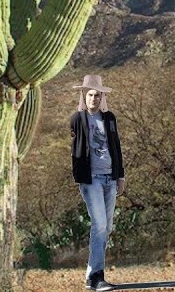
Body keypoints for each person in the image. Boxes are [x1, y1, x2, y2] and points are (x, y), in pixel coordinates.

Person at [70, 74, 125, 291]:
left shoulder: (109, 118)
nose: (94, 98)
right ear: (84, 95)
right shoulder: (78, 118)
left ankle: (91, 277)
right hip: (91, 179)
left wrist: (120, 175)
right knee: (99, 224)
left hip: (110, 177)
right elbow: (75, 151)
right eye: (90, 94)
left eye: (97, 95)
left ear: (102, 97)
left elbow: (116, 146)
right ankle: (96, 277)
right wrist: (80, 178)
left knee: (106, 226)